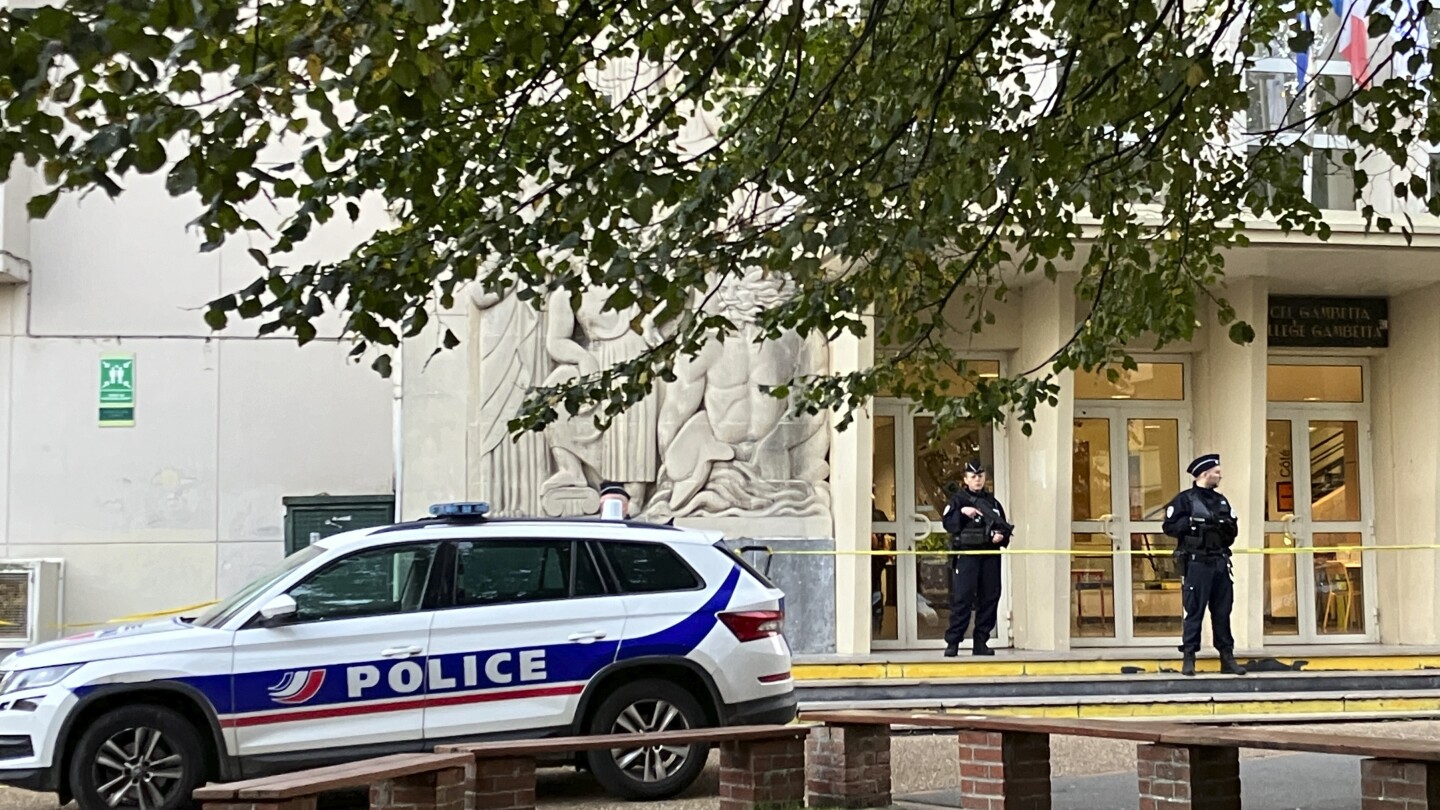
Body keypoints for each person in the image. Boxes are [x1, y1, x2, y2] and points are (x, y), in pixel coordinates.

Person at [1162, 453, 1247, 677]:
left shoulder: (1221, 500)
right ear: (1204, 473)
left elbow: (1232, 531)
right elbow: (1169, 527)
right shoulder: (1185, 500)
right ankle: (1189, 658)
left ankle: (1227, 658)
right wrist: (1192, 524)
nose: (1220, 475)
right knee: (1194, 612)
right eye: (1217, 472)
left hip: (1219, 562)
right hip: (1196, 563)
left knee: (1222, 612)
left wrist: (1220, 526)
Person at [941, 460, 1013, 657]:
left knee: (990, 597)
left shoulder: (992, 503)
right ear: (965, 480)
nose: (977, 480)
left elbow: (1003, 527)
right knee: (962, 598)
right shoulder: (958, 500)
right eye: (973, 477)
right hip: (967, 556)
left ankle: (981, 641)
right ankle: (953, 642)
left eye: (980, 476)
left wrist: (1000, 536)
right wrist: (963, 513)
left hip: (989, 555)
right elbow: (949, 524)